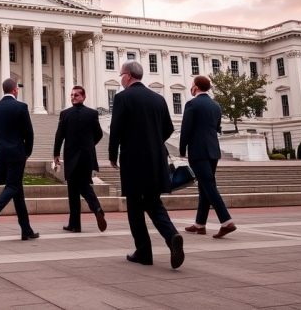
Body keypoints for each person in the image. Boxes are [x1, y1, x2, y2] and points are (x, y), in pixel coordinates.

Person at [108, 60, 184, 269]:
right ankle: (172, 236)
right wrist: (152, 140)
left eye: (121, 74)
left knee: (134, 205)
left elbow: (116, 129)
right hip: (156, 157)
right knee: (152, 202)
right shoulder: (158, 99)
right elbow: (168, 128)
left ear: (129, 76)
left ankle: (143, 251)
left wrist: (113, 153)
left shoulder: (123, 98)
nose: (120, 78)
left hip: (133, 158)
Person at [0, 78, 38, 240]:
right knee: (13, 186)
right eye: (17, 89)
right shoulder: (21, 107)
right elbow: (29, 133)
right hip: (17, 153)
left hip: (1, 154)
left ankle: (26, 229)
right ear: (14, 90)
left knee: (17, 189)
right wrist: (28, 151)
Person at [180, 75, 236, 239]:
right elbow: (217, 128)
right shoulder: (216, 105)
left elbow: (186, 129)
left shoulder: (192, 104)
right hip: (213, 150)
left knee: (209, 185)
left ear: (195, 87)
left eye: (191, 85)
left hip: (198, 151)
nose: (191, 88)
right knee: (204, 185)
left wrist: (182, 149)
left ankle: (226, 221)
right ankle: (200, 224)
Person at [53, 85, 107, 234]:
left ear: (84, 97)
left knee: (74, 188)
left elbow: (60, 136)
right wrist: (90, 145)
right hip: (87, 156)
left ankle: (78, 221)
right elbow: (99, 134)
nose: (73, 97)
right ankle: (89, 213)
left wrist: (56, 154)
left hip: (71, 156)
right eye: (71, 95)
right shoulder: (92, 113)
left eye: (76, 95)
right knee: (83, 185)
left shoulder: (65, 114)